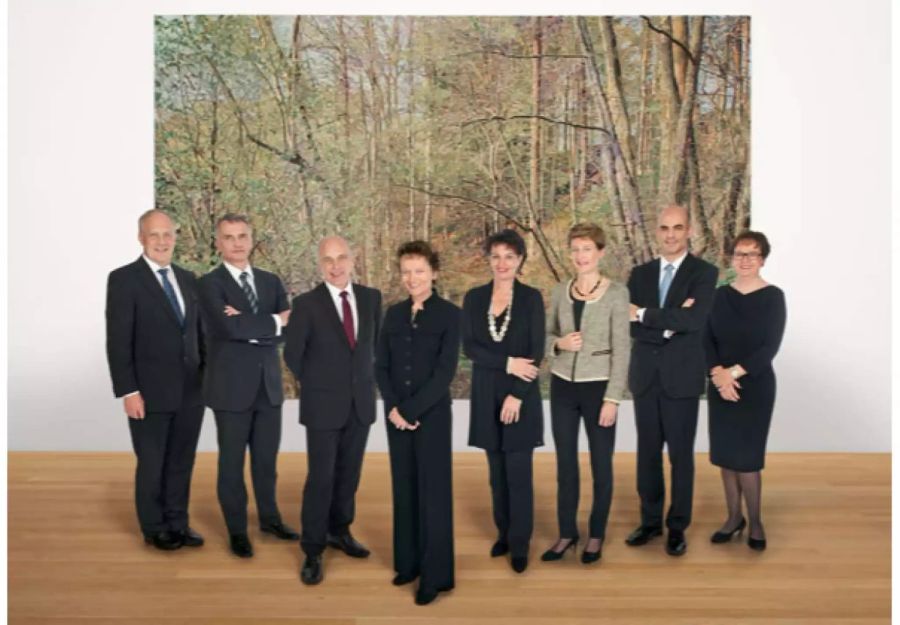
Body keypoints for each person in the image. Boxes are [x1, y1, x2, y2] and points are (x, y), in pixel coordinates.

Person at [283, 236, 383, 586]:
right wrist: (325, 383)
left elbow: (374, 346)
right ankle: (312, 549)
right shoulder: (306, 304)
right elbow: (293, 356)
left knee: (348, 476)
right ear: (320, 264)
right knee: (321, 479)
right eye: (328, 259)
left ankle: (340, 531)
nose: (335, 265)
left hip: (361, 405)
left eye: (341, 258)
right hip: (323, 405)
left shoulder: (372, 299)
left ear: (353, 259)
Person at [198, 214, 298, 558]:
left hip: (268, 386)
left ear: (252, 240)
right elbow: (229, 331)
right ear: (218, 243)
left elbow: (290, 328)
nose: (237, 243)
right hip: (229, 388)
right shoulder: (209, 284)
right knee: (231, 464)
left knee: (266, 462)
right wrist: (270, 322)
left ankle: (270, 519)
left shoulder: (271, 282)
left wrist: (248, 323)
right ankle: (237, 531)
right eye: (229, 237)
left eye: (242, 236)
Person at [105, 209, 205, 551]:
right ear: (141, 238)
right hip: (148, 391)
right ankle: (155, 527)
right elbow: (118, 341)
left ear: (175, 237)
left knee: (181, 460)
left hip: (191, 391)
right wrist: (128, 390)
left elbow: (196, 334)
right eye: (154, 235)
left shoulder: (189, 279)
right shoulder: (124, 280)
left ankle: (179, 521)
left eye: (167, 234)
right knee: (152, 462)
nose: (162, 241)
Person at [625, 205, 718, 557]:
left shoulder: (704, 273)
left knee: (681, 457)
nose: (671, 234)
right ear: (656, 230)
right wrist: (670, 321)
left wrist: (649, 315)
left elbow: (694, 320)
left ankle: (677, 527)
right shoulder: (640, 274)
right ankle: (650, 523)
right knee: (647, 455)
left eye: (677, 227)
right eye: (664, 227)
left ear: (689, 230)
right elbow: (629, 324)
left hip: (681, 379)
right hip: (646, 377)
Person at [375, 241, 460, 606]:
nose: (412, 278)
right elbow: (381, 365)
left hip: (432, 417)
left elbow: (444, 374)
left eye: (420, 271)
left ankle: (435, 575)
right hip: (396, 416)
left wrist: (410, 411)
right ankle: (407, 563)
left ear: (434, 273)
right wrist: (395, 409)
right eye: (406, 271)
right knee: (404, 489)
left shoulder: (450, 315)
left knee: (433, 495)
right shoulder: (392, 314)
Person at [542, 223, 630, 564]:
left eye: (587, 250)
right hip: (563, 386)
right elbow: (545, 336)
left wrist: (612, 398)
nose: (581, 256)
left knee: (601, 465)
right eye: (576, 250)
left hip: (599, 390)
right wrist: (558, 344)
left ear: (600, 253)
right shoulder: (558, 291)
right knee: (566, 464)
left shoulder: (616, 294)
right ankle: (567, 533)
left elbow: (622, 349)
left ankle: (596, 535)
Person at [462, 228, 545, 573]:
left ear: (520, 260)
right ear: (489, 259)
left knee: (518, 472)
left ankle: (521, 543)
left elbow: (536, 352)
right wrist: (506, 362)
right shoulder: (473, 298)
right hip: (485, 394)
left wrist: (516, 394)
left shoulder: (531, 298)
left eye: (509, 256)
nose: (502, 263)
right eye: (496, 256)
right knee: (496, 473)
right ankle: (504, 534)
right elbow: (469, 347)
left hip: (520, 396)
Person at [705, 231, 786, 552]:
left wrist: (732, 375)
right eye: (740, 254)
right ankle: (733, 517)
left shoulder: (773, 297)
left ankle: (755, 521)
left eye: (752, 254)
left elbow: (770, 347)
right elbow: (706, 339)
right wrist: (717, 375)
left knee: (748, 460)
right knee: (726, 457)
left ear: (763, 259)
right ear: (732, 258)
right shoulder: (719, 296)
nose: (746, 260)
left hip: (754, 386)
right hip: (719, 383)